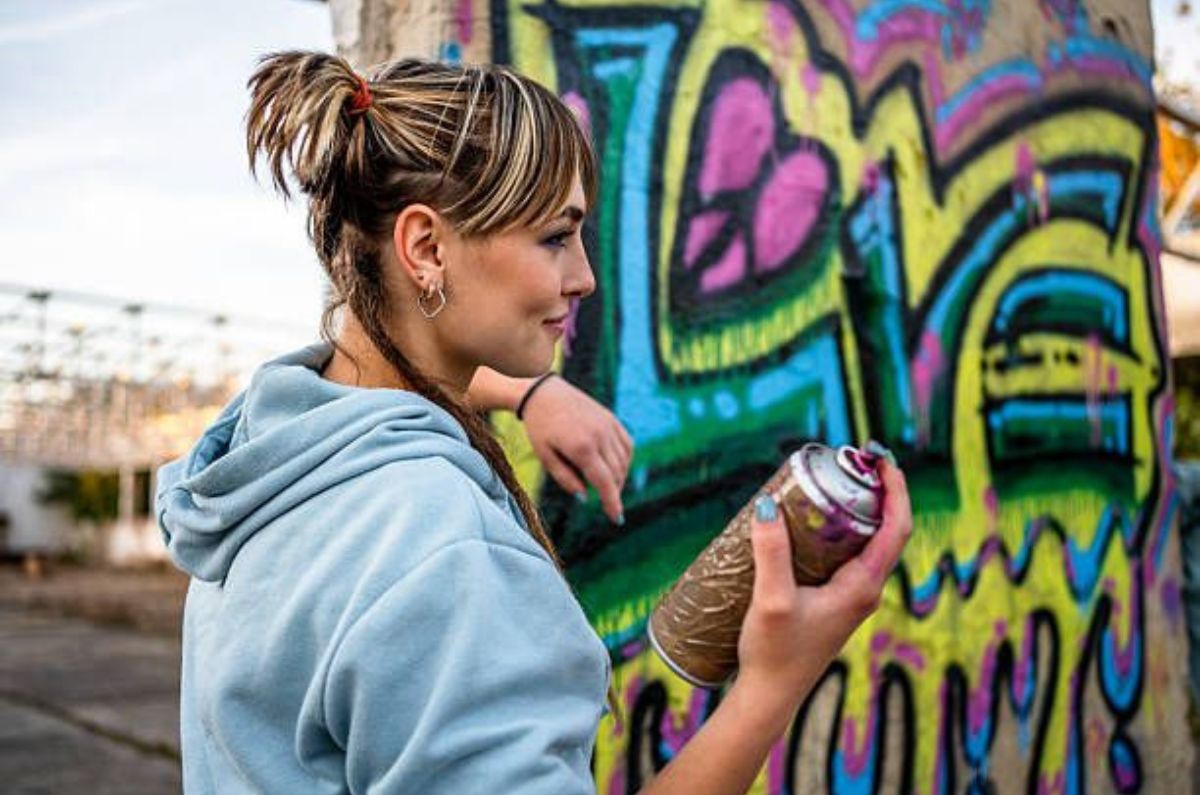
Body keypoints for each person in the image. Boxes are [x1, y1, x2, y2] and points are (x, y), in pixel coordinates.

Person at [156, 51, 912, 794]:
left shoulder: (265, 452)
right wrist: (774, 683)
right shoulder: (441, 552)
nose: (583, 275)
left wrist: (525, 392)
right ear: (426, 248)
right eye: (555, 236)